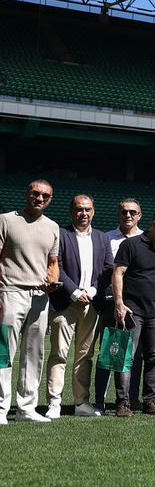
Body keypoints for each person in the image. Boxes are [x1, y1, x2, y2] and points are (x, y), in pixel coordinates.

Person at [45, 195, 112, 419]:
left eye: (88, 209)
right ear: (71, 211)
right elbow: (56, 266)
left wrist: (92, 291)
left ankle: (81, 402)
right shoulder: (60, 234)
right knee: (59, 354)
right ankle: (54, 403)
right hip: (65, 302)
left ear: (93, 212)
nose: (83, 213)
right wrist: (74, 292)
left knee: (85, 355)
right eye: (79, 209)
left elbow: (107, 269)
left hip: (91, 304)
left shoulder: (102, 238)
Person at [0, 180, 60, 424]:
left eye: (45, 195)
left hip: (40, 298)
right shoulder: (5, 220)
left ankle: (26, 408)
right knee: (3, 353)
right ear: (27, 194)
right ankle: (1, 408)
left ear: (50, 199)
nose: (39, 198)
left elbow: (52, 264)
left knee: (34, 354)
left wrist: (52, 282)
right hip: (9, 293)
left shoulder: (53, 226)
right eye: (35, 193)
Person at [112, 209, 155, 417]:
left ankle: (150, 401)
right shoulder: (130, 245)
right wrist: (119, 304)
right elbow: (118, 274)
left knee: (154, 358)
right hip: (132, 310)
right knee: (126, 358)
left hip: (153, 312)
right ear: (153, 223)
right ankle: (123, 403)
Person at [94, 198, 154, 412]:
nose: (128, 215)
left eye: (132, 212)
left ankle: (132, 398)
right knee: (109, 351)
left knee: (135, 355)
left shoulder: (148, 239)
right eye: (124, 212)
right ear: (118, 214)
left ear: (140, 215)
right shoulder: (106, 238)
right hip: (113, 304)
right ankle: (100, 400)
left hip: (139, 306)